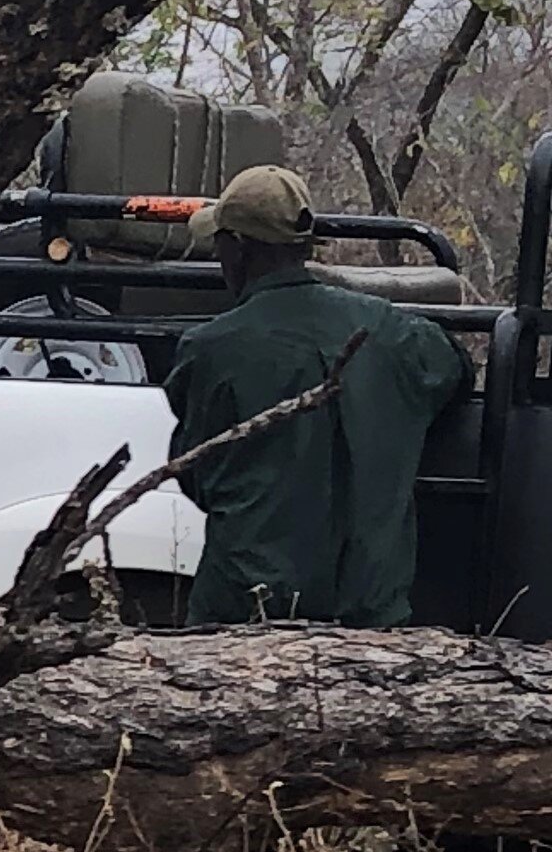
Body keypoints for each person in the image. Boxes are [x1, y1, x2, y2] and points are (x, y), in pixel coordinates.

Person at [164, 163, 469, 628]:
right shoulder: (392, 332)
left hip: (247, 609)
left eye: (219, 242)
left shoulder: (210, 349)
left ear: (238, 248)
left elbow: (197, 472)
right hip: (371, 613)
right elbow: (457, 369)